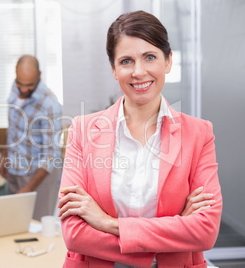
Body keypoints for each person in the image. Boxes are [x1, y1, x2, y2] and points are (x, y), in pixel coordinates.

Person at [58, 10, 222, 268]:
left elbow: (206, 231)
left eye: (149, 57)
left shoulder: (199, 134)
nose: (139, 72)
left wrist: (107, 223)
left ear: (168, 61)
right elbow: (74, 234)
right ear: (113, 69)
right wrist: (171, 236)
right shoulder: (82, 131)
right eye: (126, 61)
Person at [0, 55, 62, 220]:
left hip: (38, 174)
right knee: (14, 223)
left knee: (37, 227)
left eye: (29, 85)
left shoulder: (49, 104)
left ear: (39, 75)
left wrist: (29, 188)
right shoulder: (15, 88)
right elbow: (12, 127)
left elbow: (52, 156)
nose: (23, 89)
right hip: (15, 169)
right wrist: (5, 157)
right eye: (20, 83)